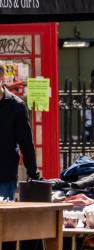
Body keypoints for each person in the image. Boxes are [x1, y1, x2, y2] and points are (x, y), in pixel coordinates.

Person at [0, 63, 40, 200]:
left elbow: (26, 143)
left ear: (2, 78)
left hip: (4, 177)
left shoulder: (16, 106)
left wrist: (33, 174)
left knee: (4, 220)